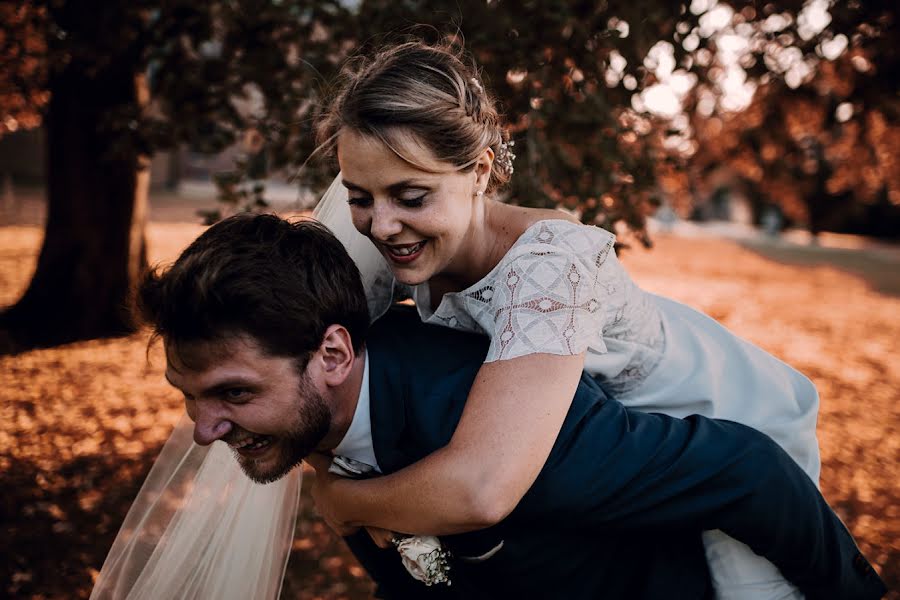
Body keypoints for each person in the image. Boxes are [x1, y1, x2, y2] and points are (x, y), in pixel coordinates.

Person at [100, 214, 883, 599]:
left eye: (233, 393)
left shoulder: (491, 416)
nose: (204, 431)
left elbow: (750, 472)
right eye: (190, 398)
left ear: (334, 355)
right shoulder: (315, 423)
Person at [307, 40, 823, 598]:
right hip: (607, 451)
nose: (381, 226)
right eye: (359, 197)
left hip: (717, 420)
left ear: (479, 173)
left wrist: (344, 500)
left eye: (411, 196)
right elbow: (301, 362)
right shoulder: (402, 242)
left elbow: (485, 485)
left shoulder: (550, 265)